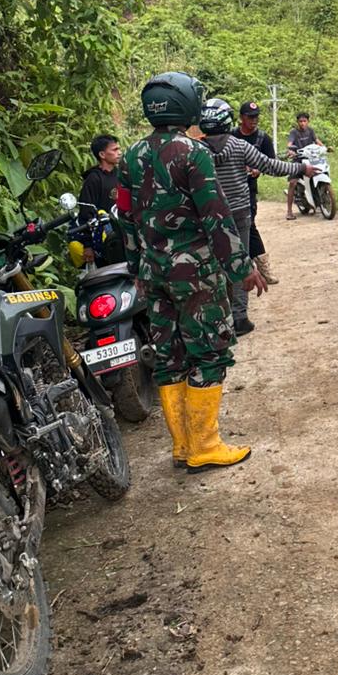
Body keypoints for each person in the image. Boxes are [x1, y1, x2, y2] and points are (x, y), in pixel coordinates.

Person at [117, 71, 266, 474]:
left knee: (169, 356)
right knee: (209, 351)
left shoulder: (130, 156)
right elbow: (216, 215)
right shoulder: (193, 152)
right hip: (195, 275)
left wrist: (136, 267)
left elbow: (125, 218)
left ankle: (183, 445)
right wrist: (242, 267)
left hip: (153, 274)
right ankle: (205, 445)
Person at [196, 97, 318, 335]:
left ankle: (217, 318)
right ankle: (240, 317)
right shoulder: (238, 146)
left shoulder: (196, 150)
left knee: (213, 265)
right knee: (240, 262)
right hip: (239, 213)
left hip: (210, 215)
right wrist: (302, 168)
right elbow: (271, 165)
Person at [234, 101, 278, 284]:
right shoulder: (231, 136)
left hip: (248, 189)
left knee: (249, 225)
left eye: (256, 117)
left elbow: (271, 163)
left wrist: (258, 170)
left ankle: (262, 266)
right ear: (241, 118)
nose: (254, 120)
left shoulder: (262, 139)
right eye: (250, 117)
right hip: (228, 188)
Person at [285, 111, 324, 219]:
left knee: (318, 173)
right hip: (298, 160)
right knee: (293, 182)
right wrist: (290, 150)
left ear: (308, 121)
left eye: (304, 121)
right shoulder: (294, 132)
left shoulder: (310, 131)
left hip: (311, 159)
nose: (302, 123)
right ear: (297, 122)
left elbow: (316, 140)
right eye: (300, 121)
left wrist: (324, 147)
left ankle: (318, 202)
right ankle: (289, 211)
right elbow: (290, 144)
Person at [79, 134, 121, 214]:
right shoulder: (94, 178)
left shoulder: (120, 174)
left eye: (119, 149)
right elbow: (87, 209)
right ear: (102, 154)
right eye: (114, 150)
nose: (119, 153)